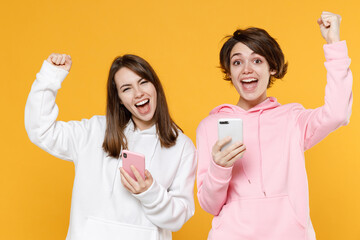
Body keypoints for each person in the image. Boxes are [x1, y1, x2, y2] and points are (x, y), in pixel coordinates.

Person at [196, 12, 352, 240]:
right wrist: (219, 167)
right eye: (237, 62)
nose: (247, 69)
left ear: (272, 68)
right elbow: (209, 205)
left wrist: (334, 44)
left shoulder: (292, 119)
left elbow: (338, 113)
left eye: (257, 60)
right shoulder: (210, 126)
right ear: (229, 73)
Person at [25, 54, 196, 240]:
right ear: (120, 99)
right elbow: (41, 130)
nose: (138, 93)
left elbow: (178, 217)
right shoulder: (93, 131)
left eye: (143, 82)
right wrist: (50, 77)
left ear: (155, 86)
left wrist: (149, 192)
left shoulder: (182, 146)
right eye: (127, 88)